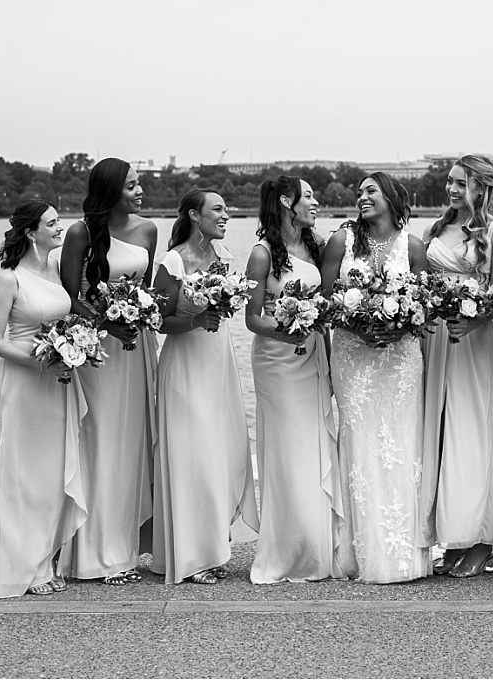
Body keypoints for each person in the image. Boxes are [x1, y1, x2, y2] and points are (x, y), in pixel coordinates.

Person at [319, 172, 431, 583]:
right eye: (359, 192)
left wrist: (400, 327)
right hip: (353, 355)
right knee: (359, 440)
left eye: (370, 191)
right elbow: (326, 301)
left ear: (391, 196)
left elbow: (424, 306)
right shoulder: (341, 242)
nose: (361, 197)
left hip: (399, 359)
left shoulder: (413, 246)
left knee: (400, 443)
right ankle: (357, 551)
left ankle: (403, 553)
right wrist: (357, 324)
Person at [53, 157, 157, 585]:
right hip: (97, 351)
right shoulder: (81, 232)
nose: (139, 192)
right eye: (132, 186)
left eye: (139, 185)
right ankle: (94, 555)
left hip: (137, 348)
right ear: (112, 190)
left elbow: (147, 290)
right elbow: (68, 295)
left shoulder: (149, 230)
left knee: (133, 444)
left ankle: (125, 548)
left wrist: (139, 314)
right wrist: (105, 323)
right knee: (101, 441)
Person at [150, 188, 258, 584]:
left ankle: (214, 543)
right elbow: (159, 321)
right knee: (191, 455)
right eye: (219, 209)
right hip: (185, 365)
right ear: (195, 216)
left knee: (220, 451)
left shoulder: (225, 258)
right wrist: (195, 321)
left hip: (219, 363)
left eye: (227, 209)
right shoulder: (174, 260)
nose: (226, 215)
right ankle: (192, 555)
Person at [0, 201, 85, 598]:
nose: (61, 228)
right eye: (53, 223)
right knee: (23, 473)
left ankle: (44, 558)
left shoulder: (55, 270)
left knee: (52, 474)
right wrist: (43, 362)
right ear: (30, 231)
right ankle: (22, 567)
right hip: (27, 383)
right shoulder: (9, 279)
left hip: (59, 382)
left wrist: (75, 348)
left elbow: (67, 316)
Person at [243, 176, 342, 584]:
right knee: (288, 450)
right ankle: (287, 551)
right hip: (277, 361)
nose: (316, 203)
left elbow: (323, 312)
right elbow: (251, 318)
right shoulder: (262, 254)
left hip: (313, 356)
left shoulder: (314, 247)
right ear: (287, 202)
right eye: (310, 197)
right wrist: (286, 331)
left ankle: (316, 547)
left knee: (315, 444)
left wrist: (332, 363)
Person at [419, 155, 493, 578]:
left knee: (469, 427)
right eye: (450, 182)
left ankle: (481, 540)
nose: (452, 190)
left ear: (481, 186)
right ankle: (452, 536)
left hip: (472, 337)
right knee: (438, 430)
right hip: (436, 336)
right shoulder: (435, 230)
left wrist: (474, 318)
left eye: (460, 183)